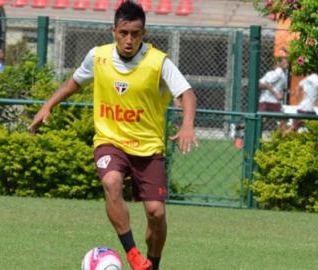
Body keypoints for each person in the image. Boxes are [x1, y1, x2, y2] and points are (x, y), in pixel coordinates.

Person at [29, 1, 197, 269]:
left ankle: (152, 264)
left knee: (156, 213)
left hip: (147, 146)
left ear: (144, 33)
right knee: (111, 183)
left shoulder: (158, 62)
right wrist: (48, 105)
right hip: (111, 141)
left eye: (136, 34)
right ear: (113, 31)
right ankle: (131, 253)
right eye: (123, 33)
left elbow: (186, 92)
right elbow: (74, 82)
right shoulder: (98, 56)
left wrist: (187, 124)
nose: (129, 40)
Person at [258, 56, 289, 130]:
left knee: (282, 119)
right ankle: (243, 132)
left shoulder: (283, 74)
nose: (287, 64)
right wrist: (276, 94)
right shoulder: (278, 73)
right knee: (283, 120)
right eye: (285, 62)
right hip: (267, 102)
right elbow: (266, 84)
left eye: (287, 62)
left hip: (274, 102)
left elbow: (277, 86)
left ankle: (281, 138)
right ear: (279, 63)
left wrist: (287, 91)